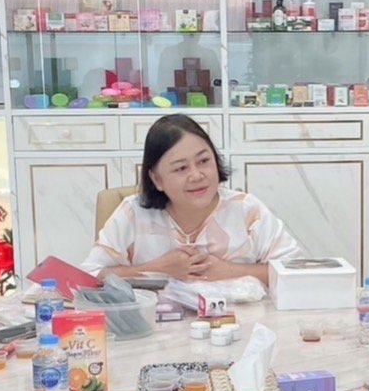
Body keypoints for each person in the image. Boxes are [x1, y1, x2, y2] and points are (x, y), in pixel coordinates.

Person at [82, 114, 299, 285]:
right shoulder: (133, 214)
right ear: (157, 179)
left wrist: (230, 271)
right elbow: (87, 277)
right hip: (152, 326)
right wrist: (157, 269)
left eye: (203, 161)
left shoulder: (247, 211)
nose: (196, 175)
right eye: (181, 168)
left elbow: (296, 272)